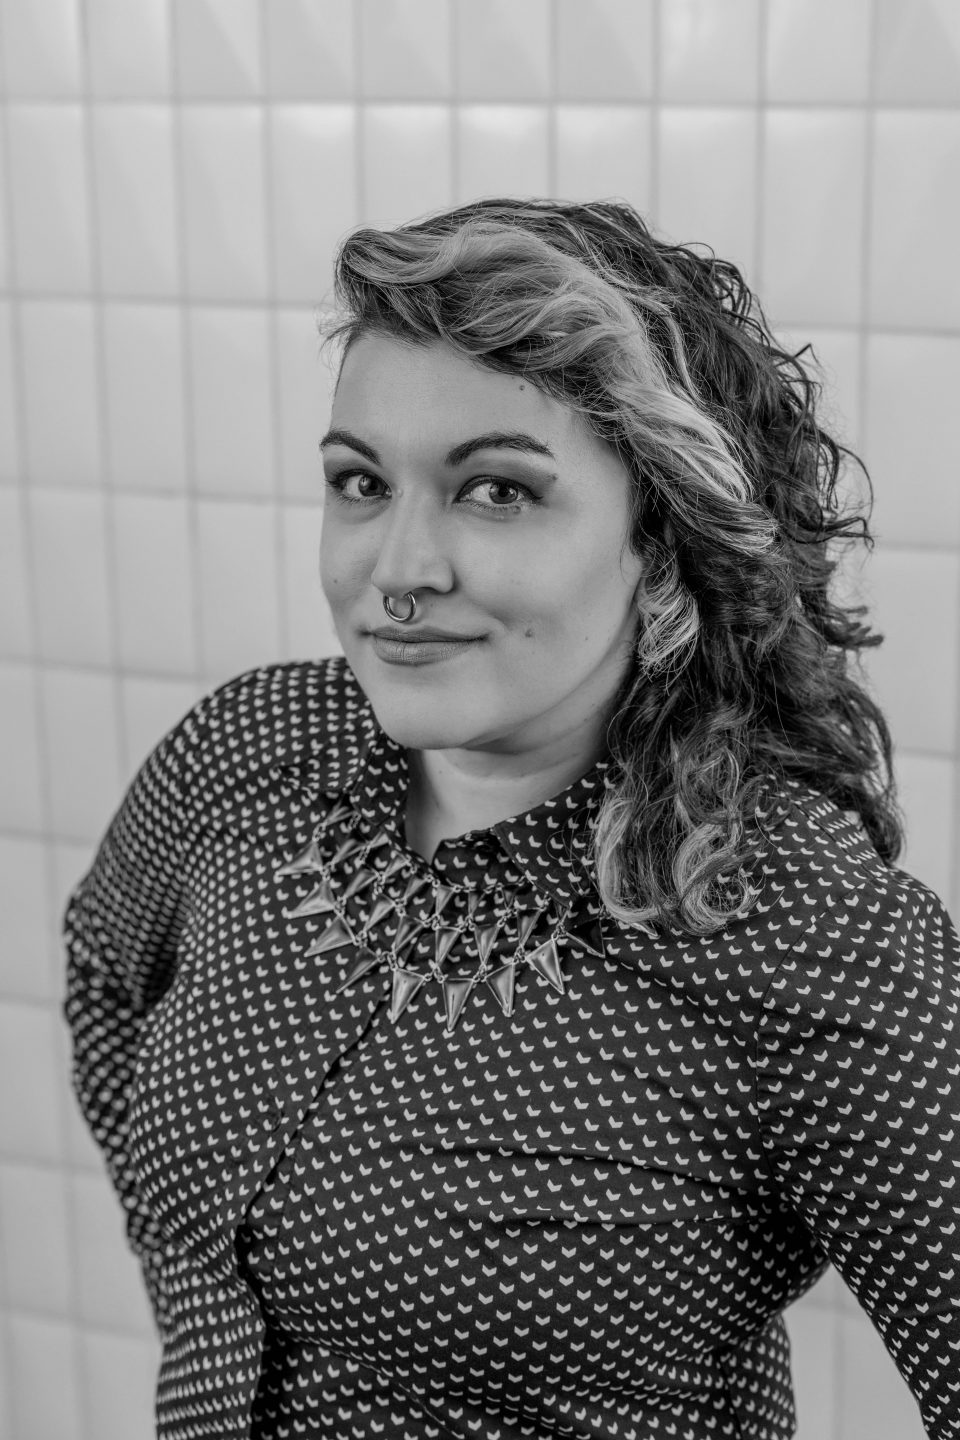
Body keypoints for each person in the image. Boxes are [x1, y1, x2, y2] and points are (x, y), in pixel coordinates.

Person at [63, 198, 960, 1440]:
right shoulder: (253, 748)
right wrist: (216, 1292)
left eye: (495, 491)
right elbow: (106, 977)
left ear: (662, 539)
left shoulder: (798, 922)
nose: (398, 569)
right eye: (360, 483)